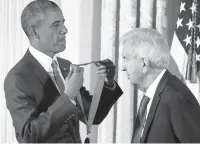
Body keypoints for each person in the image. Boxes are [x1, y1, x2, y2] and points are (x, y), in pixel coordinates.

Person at [4, 0, 123, 143]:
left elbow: (93, 116)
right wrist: (68, 96)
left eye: (63, 22)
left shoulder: (65, 66)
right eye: (56, 25)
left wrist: (108, 83)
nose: (64, 29)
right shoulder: (18, 78)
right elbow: (28, 136)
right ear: (34, 32)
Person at [120, 28, 200, 143]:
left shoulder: (175, 97)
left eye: (126, 59)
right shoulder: (156, 93)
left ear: (144, 63)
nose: (123, 67)